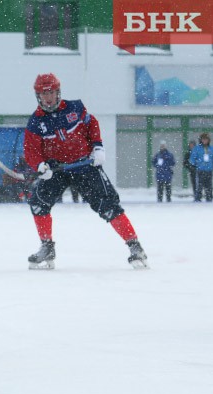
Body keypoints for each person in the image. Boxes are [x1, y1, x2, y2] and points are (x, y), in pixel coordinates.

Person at [23, 73, 148, 270]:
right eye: (43, 94)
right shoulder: (35, 122)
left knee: (109, 206)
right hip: (58, 170)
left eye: (51, 92)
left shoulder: (76, 108)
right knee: (38, 202)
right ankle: (47, 247)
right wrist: (40, 166)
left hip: (84, 166)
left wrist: (98, 147)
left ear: (58, 92)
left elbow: (92, 126)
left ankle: (135, 247)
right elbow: (31, 150)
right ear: (37, 96)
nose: (48, 97)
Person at [190, 132, 213, 202]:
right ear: (201, 140)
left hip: (209, 170)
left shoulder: (211, 149)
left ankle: (209, 198)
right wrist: (197, 163)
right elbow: (192, 159)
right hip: (200, 170)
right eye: (203, 139)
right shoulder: (197, 149)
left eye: (206, 139)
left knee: (209, 186)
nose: (205, 141)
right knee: (199, 186)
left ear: (209, 140)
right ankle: (198, 199)